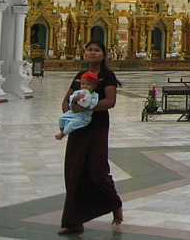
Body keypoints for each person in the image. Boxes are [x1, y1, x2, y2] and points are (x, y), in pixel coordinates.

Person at [58, 39, 123, 235]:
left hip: (97, 127)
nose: (92, 53)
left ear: (104, 54)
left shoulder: (107, 76)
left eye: (97, 50)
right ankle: (74, 221)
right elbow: (67, 99)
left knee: (98, 171)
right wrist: (70, 113)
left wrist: (87, 108)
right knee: (73, 169)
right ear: (84, 53)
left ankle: (115, 203)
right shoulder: (80, 76)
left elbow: (110, 102)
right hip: (78, 127)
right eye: (89, 50)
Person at [56, 72, 100, 140]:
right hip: (74, 113)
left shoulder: (94, 95)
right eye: (83, 84)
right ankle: (62, 130)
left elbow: (92, 104)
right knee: (61, 118)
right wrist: (76, 98)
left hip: (83, 117)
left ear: (94, 86)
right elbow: (71, 98)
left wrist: (86, 99)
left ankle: (62, 134)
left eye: (88, 84)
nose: (85, 86)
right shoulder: (77, 92)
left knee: (72, 124)